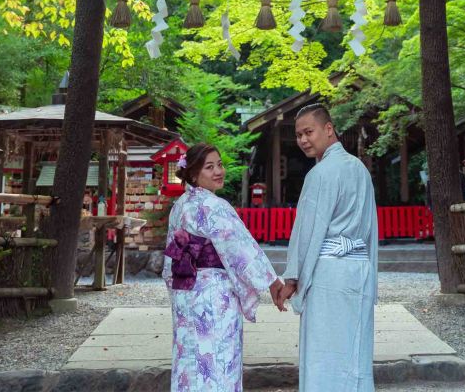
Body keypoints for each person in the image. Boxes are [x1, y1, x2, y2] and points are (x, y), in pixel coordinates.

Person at [162, 143, 284, 391]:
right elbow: (242, 250)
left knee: (190, 360)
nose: (219, 171)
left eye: (220, 164)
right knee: (217, 358)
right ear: (194, 174)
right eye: (209, 167)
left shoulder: (179, 206)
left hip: (185, 292)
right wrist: (272, 282)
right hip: (214, 296)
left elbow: (169, 263)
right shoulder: (215, 207)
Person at [277, 104, 378, 391]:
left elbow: (307, 231)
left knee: (324, 353)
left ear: (329, 129)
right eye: (298, 135)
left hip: (330, 273)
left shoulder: (320, 174)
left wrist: (293, 277)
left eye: (309, 132)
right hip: (359, 268)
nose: (303, 140)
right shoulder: (360, 169)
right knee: (355, 349)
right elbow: (371, 227)